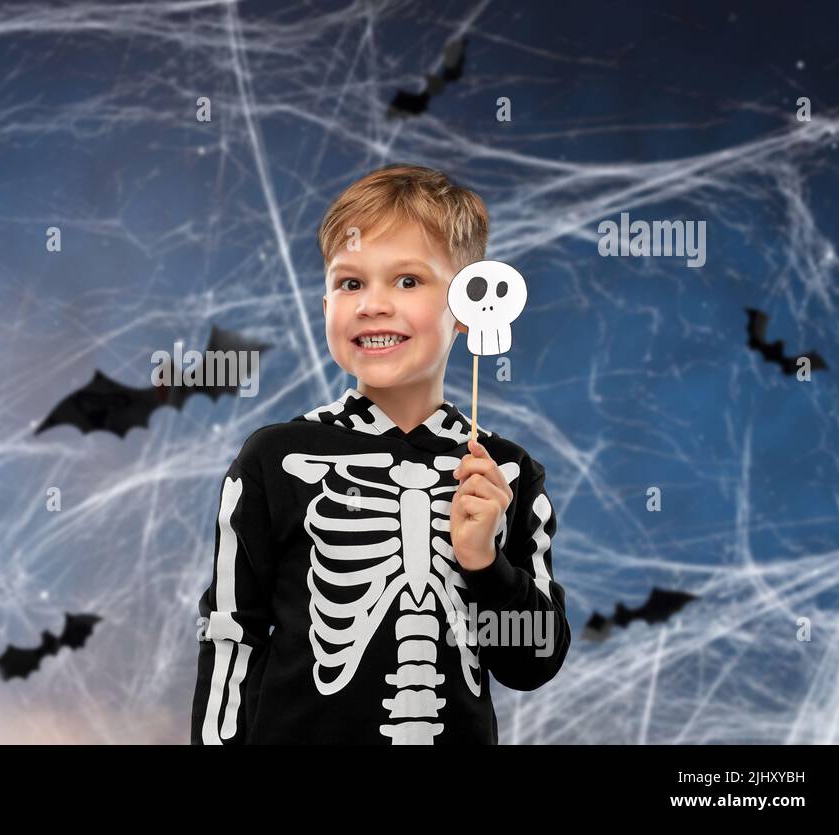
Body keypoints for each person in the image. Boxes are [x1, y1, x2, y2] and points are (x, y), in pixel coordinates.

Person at [190, 164, 569, 744]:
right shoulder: (275, 459)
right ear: (325, 309)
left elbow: (531, 664)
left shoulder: (506, 474)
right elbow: (231, 635)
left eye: (408, 281)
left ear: (472, 305)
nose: (372, 305)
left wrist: (485, 564)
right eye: (350, 284)